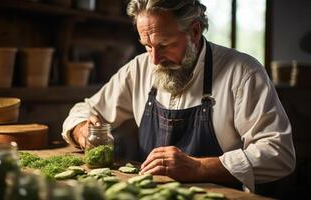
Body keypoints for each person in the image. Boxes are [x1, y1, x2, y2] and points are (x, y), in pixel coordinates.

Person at [62, 0, 295, 193]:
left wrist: (199, 168)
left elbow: (279, 154)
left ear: (194, 31)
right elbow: (84, 110)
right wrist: (82, 130)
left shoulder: (243, 72)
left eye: (164, 45)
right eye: (147, 46)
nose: (154, 60)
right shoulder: (140, 68)